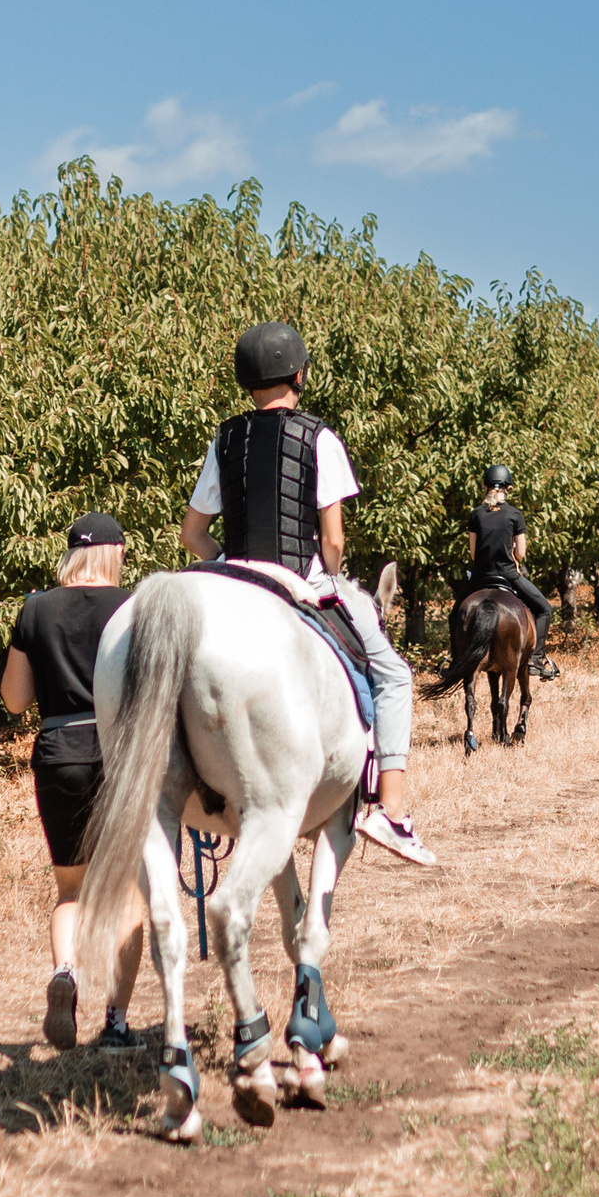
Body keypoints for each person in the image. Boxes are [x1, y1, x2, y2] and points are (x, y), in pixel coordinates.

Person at [181, 322, 436, 867]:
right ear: (299, 375)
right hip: (301, 579)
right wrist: (331, 579)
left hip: (234, 577)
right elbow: (334, 539)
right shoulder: (320, 437)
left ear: (246, 382)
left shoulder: (224, 439)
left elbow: (192, 533)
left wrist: (226, 565)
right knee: (394, 675)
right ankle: (389, 809)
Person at [0, 512, 146, 1051]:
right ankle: (116, 1024)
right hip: (118, 754)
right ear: (117, 554)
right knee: (128, 892)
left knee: (71, 890)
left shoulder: (36, 609)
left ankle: (65, 971)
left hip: (58, 752)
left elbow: (15, 700)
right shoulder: (134, 607)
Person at [460, 464, 561, 680]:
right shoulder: (515, 514)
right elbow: (521, 554)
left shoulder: (476, 514)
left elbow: (473, 554)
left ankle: (453, 659)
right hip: (508, 575)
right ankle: (536, 660)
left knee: (456, 614)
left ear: (485, 487)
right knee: (544, 609)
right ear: (508, 488)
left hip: (480, 577)